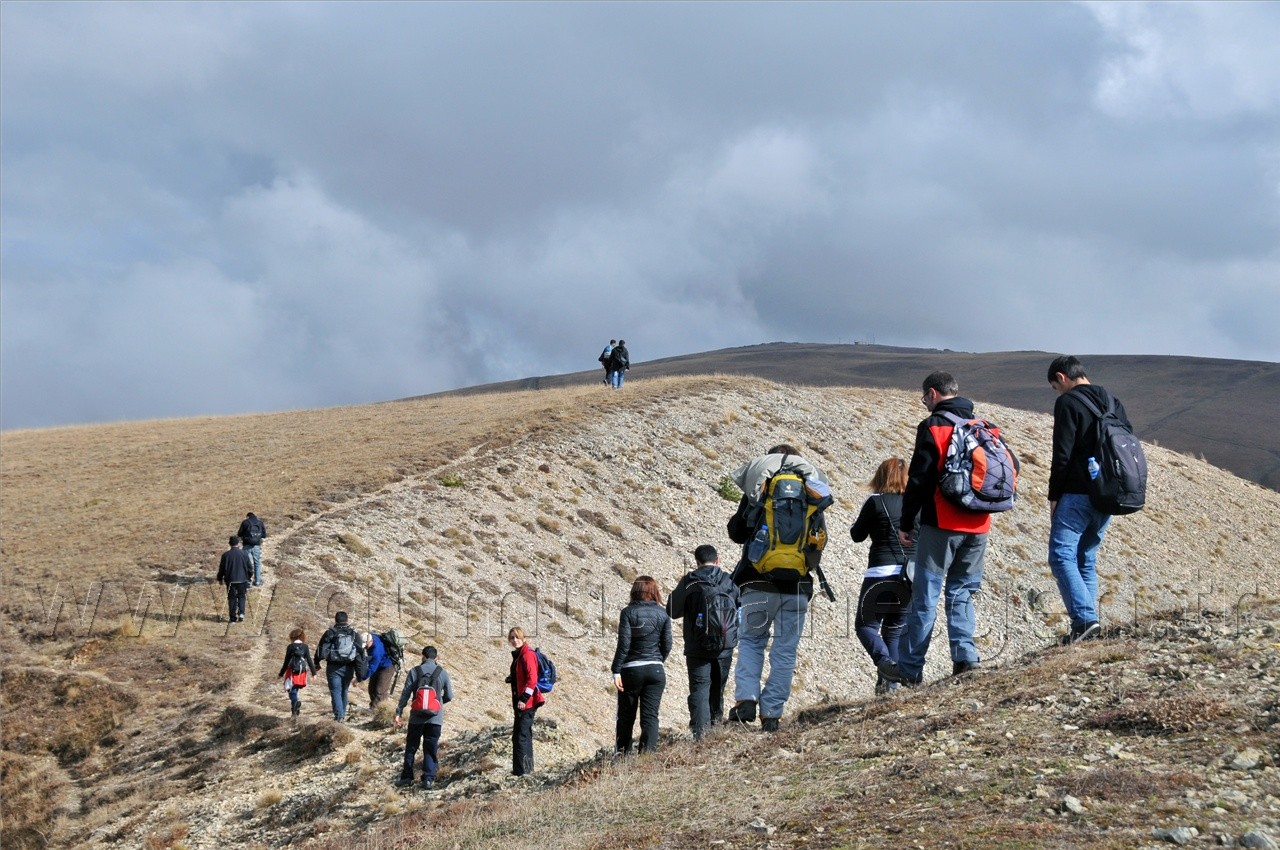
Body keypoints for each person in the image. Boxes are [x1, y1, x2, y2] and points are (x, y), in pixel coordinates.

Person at [880, 372, 999, 686]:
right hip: (979, 524)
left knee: (925, 597)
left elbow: (918, 480)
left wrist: (907, 524)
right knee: (962, 592)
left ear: (932, 394)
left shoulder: (934, 426)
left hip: (941, 524)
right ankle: (965, 658)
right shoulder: (982, 426)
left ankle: (910, 668)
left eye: (924, 398)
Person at [725, 444, 831, 732]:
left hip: (758, 583)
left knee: (751, 640)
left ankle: (746, 699)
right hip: (797, 587)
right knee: (785, 650)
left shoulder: (762, 489)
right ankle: (772, 714)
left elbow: (736, 532)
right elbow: (818, 540)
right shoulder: (811, 493)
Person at [1047, 355, 1133, 644]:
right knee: (1086, 556)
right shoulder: (1113, 402)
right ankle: (1088, 626)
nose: (1057, 393)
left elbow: (1062, 454)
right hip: (1108, 492)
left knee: (1061, 555)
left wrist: (1054, 496)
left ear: (1062, 377)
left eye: (1055, 387)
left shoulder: (1068, 403)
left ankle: (1084, 621)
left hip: (1076, 492)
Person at [849, 458, 918, 694]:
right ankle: (891, 684)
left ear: (880, 477)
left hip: (880, 574)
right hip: (909, 577)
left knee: (865, 626)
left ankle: (884, 663)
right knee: (894, 629)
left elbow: (857, 535)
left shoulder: (875, 503)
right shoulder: (918, 504)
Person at [667, 545, 740, 740]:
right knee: (718, 689)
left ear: (697, 562)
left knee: (699, 690)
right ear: (718, 560)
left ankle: (701, 736)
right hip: (725, 646)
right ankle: (716, 732)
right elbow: (740, 607)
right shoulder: (728, 580)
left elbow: (672, 611)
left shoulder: (690, 581)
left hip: (697, 647)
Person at [612, 575, 672, 754]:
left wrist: (616, 670)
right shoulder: (663, 614)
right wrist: (657, 660)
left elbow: (624, 645)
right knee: (650, 717)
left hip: (631, 670)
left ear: (635, 591)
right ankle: (647, 757)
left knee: (626, 716)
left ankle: (622, 756)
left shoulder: (628, 612)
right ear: (654, 592)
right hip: (655, 670)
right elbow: (667, 644)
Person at [394, 645, 454, 789]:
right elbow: (450, 696)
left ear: (423, 656)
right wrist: (437, 703)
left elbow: (405, 694)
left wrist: (399, 712)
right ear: (436, 658)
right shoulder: (443, 673)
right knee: (430, 747)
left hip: (416, 718)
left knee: (411, 747)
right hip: (435, 718)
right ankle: (428, 778)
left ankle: (407, 777)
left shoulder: (415, 671)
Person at [507, 627, 545, 776]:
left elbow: (532, 679)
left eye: (517, 637)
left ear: (523, 638)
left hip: (526, 703)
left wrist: (524, 698)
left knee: (520, 737)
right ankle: (524, 769)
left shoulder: (527, 655)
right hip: (523, 702)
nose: (514, 640)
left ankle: (522, 771)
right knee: (522, 735)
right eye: (512, 638)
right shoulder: (520, 655)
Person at [316, 612, 366, 722]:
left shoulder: (330, 632)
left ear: (335, 620)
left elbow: (320, 648)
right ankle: (341, 714)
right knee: (344, 690)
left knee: (335, 691)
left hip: (333, 667)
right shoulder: (354, 633)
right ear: (347, 620)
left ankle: (339, 716)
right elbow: (360, 653)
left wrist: (317, 663)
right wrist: (360, 673)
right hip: (349, 667)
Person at [278, 627, 317, 717]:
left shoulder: (290, 647)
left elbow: (286, 661)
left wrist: (281, 674)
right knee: (295, 689)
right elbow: (310, 660)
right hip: (301, 673)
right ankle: (294, 711)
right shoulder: (305, 647)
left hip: (291, 672)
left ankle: (295, 705)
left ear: (292, 637)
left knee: (292, 690)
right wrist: (314, 673)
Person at [215, 535, 252, 623]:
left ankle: (232, 619)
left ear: (229, 544)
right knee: (242, 596)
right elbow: (250, 568)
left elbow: (222, 569)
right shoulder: (244, 554)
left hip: (230, 580)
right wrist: (249, 577)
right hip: (242, 579)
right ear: (238, 543)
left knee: (232, 598)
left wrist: (220, 579)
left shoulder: (225, 555)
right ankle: (241, 613)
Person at [360, 630, 397, 708]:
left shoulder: (376, 651)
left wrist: (359, 679)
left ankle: (381, 709)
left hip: (388, 666)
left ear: (370, 641)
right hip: (379, 664)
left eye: (366, 645)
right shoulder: (372, 636)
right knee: (371, 688)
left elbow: (371, 669)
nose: (365, 648)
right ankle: (373, 706)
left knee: (380, 690)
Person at [236, 511, 267, 587]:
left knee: (247, 563)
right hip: (256, 545)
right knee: (257, 563)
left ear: (247, 516)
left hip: (247, 545)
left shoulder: (245, 522)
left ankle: (247, 582)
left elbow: (239, 533)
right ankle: (257, 581)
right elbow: (264, 535)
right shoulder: (260, 522)